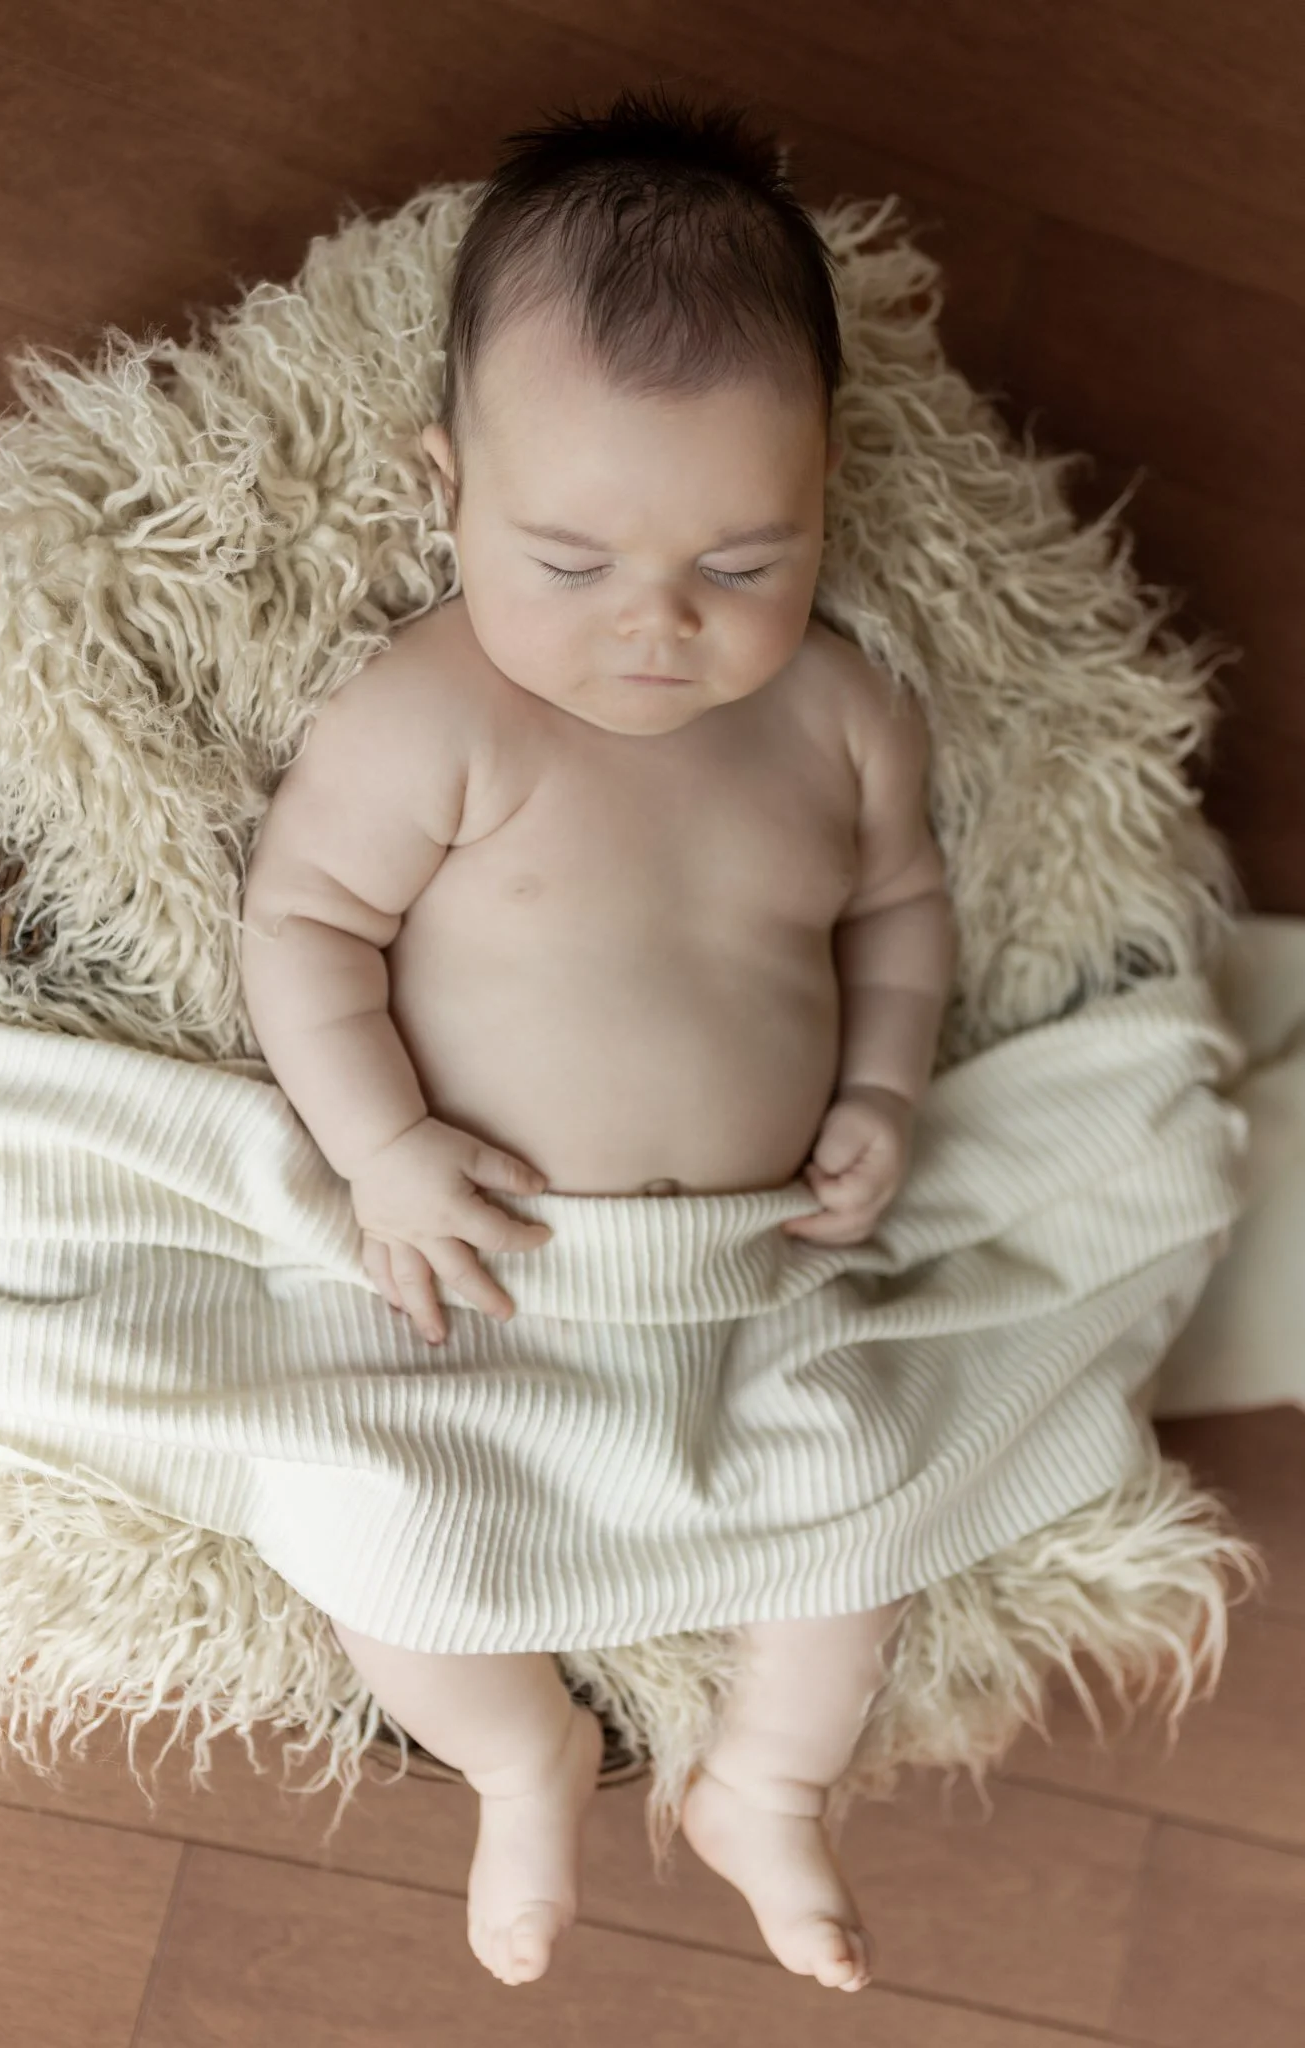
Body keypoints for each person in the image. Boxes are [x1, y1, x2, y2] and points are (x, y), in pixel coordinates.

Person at [240, 83, 955, 1994]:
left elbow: (900, 917)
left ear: (823, 492)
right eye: (569, 565)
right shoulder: (434, 713)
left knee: (869, 1505)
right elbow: (302, 927)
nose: (658, 629)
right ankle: (519, 1752)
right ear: (442, 487)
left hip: (755, 1280)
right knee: (357, 1512)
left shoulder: (845, 718)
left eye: (742, 564)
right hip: (478, 1280)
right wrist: (386, 1152)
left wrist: (883, 1080)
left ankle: (768, 1785)